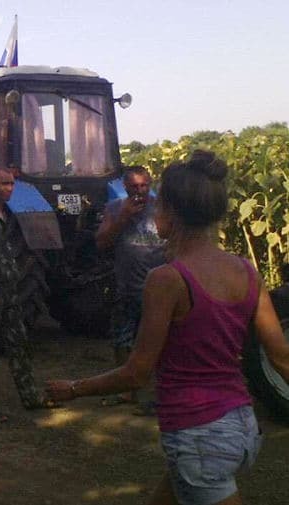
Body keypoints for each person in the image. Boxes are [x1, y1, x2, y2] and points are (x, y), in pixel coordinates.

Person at [46, 150, 289, 505]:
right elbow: (281, 356)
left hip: (199, 434)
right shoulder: (247, 272)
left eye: (159, 205)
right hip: (241, 424)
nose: (153, 211)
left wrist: (72, 388)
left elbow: (136, 373)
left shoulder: (167, 279)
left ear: (171, 214)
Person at [0, 167, 59, 422]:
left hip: (10, 293)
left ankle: (30, 396)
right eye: (4, 184)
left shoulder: (5, 214)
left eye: (12, 184)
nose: (9, 188)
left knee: (19, 346)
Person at [95, 166, 166, 413]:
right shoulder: (115, 208)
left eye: (144, 185)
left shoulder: (162, 207)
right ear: (125, 187)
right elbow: (102, 242)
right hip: (127, 287)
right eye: (134, 187)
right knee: (122, 341)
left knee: (161, 342)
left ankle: (162, 396)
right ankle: (126, 391)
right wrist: (123, 217)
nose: (140, 191)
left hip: (159, 290)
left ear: (150, 184)